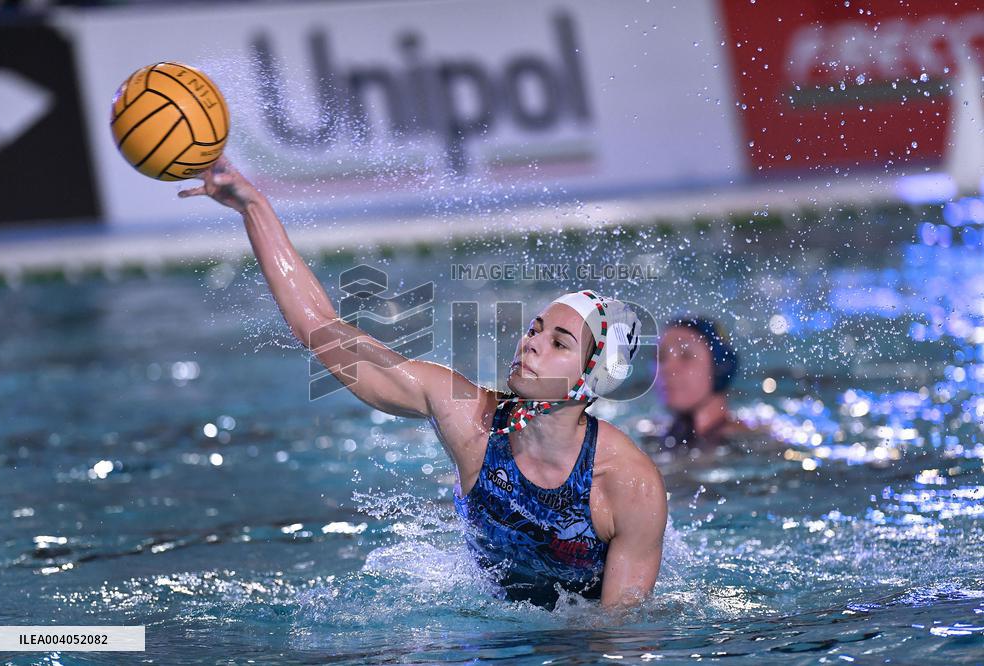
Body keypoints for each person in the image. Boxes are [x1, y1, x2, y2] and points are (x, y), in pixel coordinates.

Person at [178, 157, 668, 611]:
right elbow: (321, 328)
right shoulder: (470, 420)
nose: (532, 344)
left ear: (588, 381)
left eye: (559, 343)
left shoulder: (627, 486)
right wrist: (253, 207)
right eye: (535, 329)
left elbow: (616, 634)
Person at [653, 317, 752, 450]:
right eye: (661, 356)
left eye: (686, 355)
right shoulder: (655, 434)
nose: (667, 368)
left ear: (720, 367)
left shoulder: (749, 443)